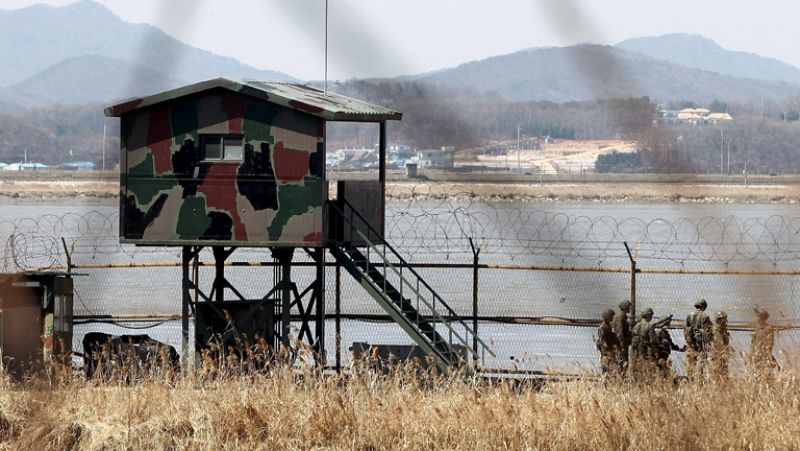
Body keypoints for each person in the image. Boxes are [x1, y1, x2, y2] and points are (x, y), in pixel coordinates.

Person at [684, 299, 712, 377]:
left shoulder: (689, 315)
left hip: (691, 340)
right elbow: (709, 330)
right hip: (700, 342)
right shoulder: (705, 316)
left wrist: (688, 340)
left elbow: (686, 328)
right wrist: (709, 342)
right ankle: (699, 377)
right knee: (701, 358)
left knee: (691, 359)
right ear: (704, 307)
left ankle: (690, 377)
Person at [749, 307, 777, 378]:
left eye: (759, 317)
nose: (757, 319)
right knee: (756, 374)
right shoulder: (756, 328)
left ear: (763, 318)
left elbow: (770, 344)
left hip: (764, 355)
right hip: (756, 355)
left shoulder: (768, 329)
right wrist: (751, 354)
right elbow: (753, 343)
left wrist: (767, 354)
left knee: (766, 374)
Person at [596, 308, 621, 376]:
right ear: (608, 317)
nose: (612, 318)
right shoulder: (603, 327)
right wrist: (608, 349)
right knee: (606, 370)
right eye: (611, 317)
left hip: (610, 351)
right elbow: (602, 340)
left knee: (611, 370)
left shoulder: (608, 326)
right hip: (606, 353)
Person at [631, 307, 655, 376]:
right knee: (646, 367)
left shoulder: (636, 326)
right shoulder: (649, 326)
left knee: (636, 365)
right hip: (646, 349)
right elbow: (652, 340)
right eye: (651, 315)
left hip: (636, 350)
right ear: (648, 315)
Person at [613, 300, 633, 373]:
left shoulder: (623, 317)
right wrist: (621, 346)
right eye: (628, 307)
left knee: (624, 363)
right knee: (622, 363)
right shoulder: (620, 317)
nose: (630, 308)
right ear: (625, 308)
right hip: (621, 345)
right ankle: (620, 380)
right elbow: (619, 333)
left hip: (624, 344)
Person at [710, 311, 731, 378]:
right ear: (719, 319)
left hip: (722, 355)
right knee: (718, 374)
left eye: (725, 318)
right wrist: (723, 353)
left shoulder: (722, 328)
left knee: (724, 373)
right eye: (724, 318)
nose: (725, 320)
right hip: (718, 355)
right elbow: (719, 343)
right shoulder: (717, 329)